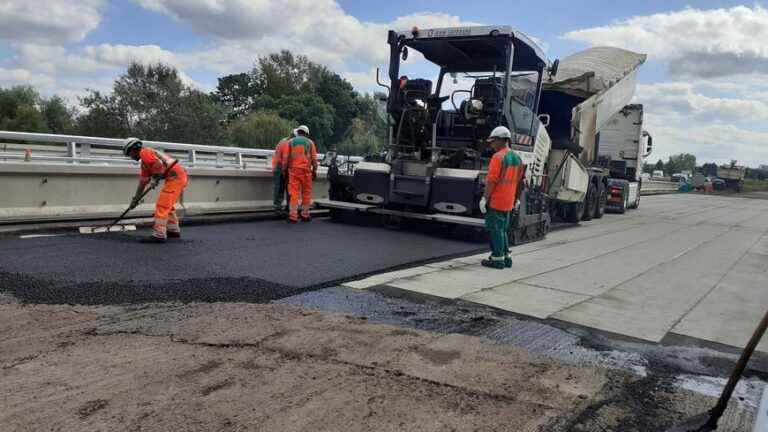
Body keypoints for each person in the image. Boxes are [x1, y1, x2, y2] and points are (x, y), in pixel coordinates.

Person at [123, 137, 188, 243]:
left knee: (162, 206)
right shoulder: (144, 163)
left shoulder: (145, 152)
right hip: (176, 178)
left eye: (128, 154)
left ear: (133, 149)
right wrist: (135, 199)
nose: (130, 157)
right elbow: (143, 182)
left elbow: (158, 164)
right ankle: (173, 231)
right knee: (168, 206)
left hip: (176, 178)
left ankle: (159, 235)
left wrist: (154, 178)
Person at [479, 126, 524, 269]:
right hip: (509, 200)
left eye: (493, 141)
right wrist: (516, 199)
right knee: (503, 229)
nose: (491, 145)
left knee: (495, 229)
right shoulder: (517, 158)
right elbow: (520, 182)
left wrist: (485, 198)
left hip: (497, 200)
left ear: (501, 140)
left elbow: (492, 181)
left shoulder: (498, 157)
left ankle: (497, 259)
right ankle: (506, 257)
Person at [282, 125, 318, 223]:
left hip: (294, 171)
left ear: (298, 132)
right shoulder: (310, 143)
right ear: (307, 134)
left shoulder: (290, 142)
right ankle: (305, 215)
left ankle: (293, 216)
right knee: (306, 193)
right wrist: (315, 170)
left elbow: (285, 158)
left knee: (294, 194)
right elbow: (314, 159)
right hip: (306, 172)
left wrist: (284, 170)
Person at [272, 130, 295, 211]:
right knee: (281, 187)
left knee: (280, 187)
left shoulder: (284, 140)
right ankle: (280, 206)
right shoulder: (288, 143)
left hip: (278, 166)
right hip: (281, 166)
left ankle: (278, 205)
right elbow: (286, 158)